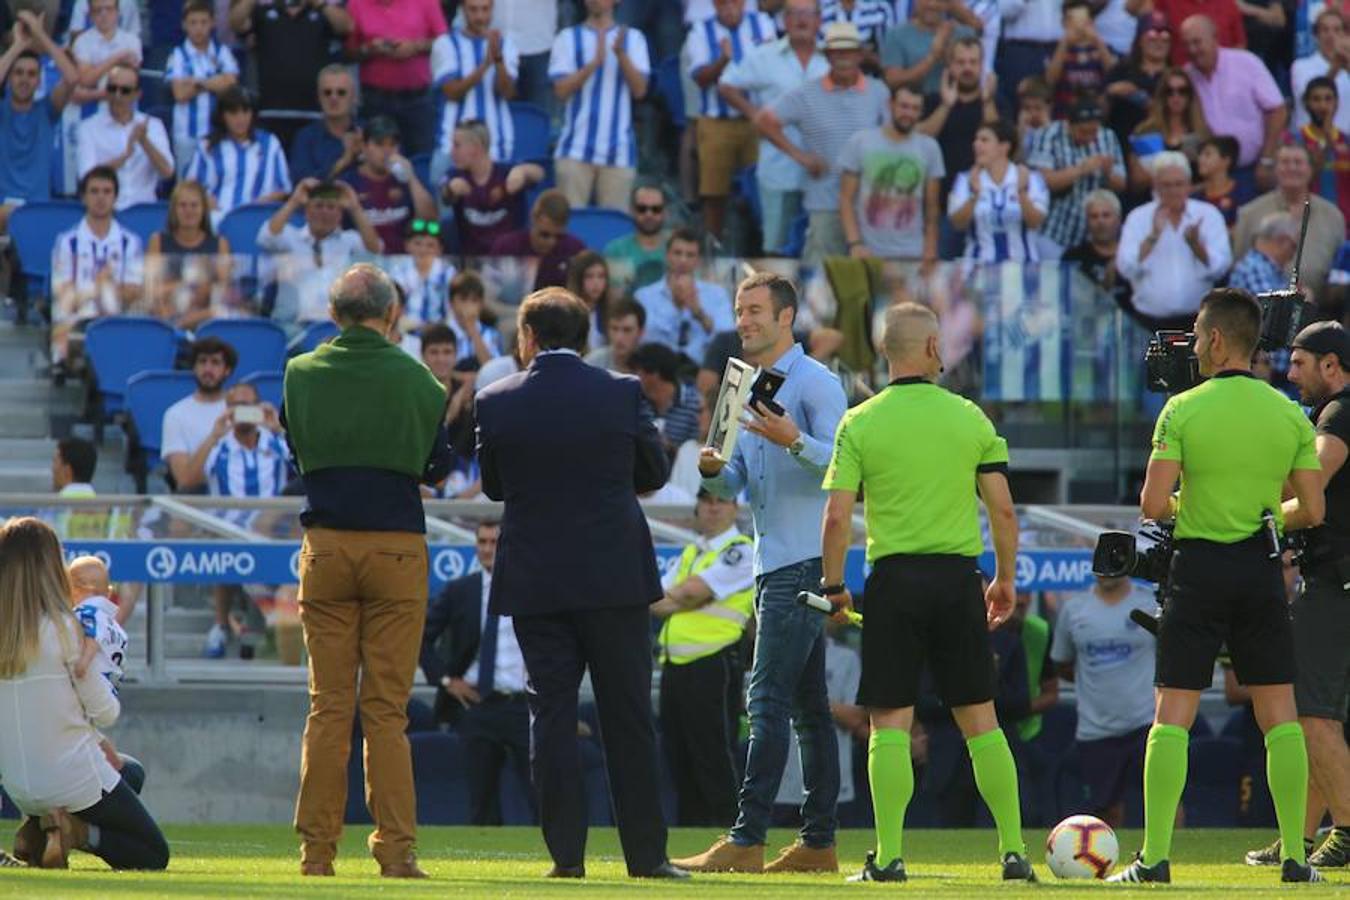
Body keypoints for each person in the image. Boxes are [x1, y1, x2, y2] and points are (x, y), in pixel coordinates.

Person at [1107, 287, 1325, 885]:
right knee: (1279, 715)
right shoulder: (1288, 412)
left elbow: (1152, 504)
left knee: (1170, 714)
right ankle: (1295, 860)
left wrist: (1190, 503)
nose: (1195, 344)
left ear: (1218, 339)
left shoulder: (1182, 409)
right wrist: (1263, 514)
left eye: (1199, 334)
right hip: (1260, 569)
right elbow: (1312, 505)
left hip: (1198, 570)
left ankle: (1153, 860)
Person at [816, 301, 1034, 883]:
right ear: (934, 349)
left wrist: (835, 586)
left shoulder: (859, 422)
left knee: (889, 722)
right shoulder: (970, 417)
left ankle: (888, 859)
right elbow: (1004, 511)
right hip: (957, 579)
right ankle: (1014, 853)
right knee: (981, 722)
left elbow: (837, 519)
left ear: (887, 353)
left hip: (892, 582)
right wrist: (1005, 578)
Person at [474, 286, 685, 880]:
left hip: (538, 579)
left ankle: (566, 859)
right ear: (586, 338)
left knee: (552, 719)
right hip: (614, 576)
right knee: (628, 720)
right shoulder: (621, 392)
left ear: (527, 338)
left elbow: (493, 486)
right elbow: (655, 470)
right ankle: (648, 859)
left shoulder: (496, 400)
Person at [676, 272, 847, 875]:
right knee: (807, 707)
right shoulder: (740, 384)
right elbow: (735, 481)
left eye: (753, 310)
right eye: (739, 309)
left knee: (767, 699)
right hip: (771, 562)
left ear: (786, 317)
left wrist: (794, 438)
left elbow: (848, 467)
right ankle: (819, 843)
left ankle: (747, 838)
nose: (743, 320)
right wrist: (711, 469)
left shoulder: (818, 383)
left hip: (799, 561)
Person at [285, 264, 452, 878]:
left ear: (333, 315)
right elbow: (437, 469)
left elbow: (296, 448)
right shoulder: (420, 380)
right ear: (390, 315)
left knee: (328, 706)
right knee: (386, 710)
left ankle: (316, 853)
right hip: (397, 549)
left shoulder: (298, 373)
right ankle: (396, 851)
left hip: (325, 546)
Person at [0, 517, 169, 871]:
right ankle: (76, 833)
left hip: (16, 787)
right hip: (71, 778)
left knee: (128, 771)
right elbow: (106, 711)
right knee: (152, 853)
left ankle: (37, 828)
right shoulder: (67, 630)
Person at [1244, 320, 1350, 869]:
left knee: (1312, 715)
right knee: (1316, 717)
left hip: (1337, 585)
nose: (1291, 374)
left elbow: (1311, 483)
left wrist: (1248, 512)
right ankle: (1299, 839)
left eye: (1300, 363)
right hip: (1332, 582)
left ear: (1331, 365)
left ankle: (1348, 831)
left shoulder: (1339, 413)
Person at [418, 520, 533, 824]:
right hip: (477, 706)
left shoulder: (532, 589)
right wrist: (446, 680)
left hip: (523, 706)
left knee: (540, 794)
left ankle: (553, 858)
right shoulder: (461, 591)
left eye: (494, 543)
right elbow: (420, 638)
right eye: (481, 542)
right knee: (481, 801)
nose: (487, 549)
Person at [651, 488, 754, 827]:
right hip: (676, 666)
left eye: (720, 501)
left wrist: (682, 598)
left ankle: (726, 829)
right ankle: (692, 830)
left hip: (713, 663)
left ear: (735, 508)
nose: (712, 508)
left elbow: (688, 593)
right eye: (706, 501)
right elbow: (657, 601)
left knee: (713, 754)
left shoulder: (740, 550)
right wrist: (682, 598)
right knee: (678, 755)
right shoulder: (693, 552)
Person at [755, 22, 889, 265]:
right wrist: (800, 156)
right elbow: (764, 122)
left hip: (870, 205)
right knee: (822, 281)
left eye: (848, 51)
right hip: (824, 202)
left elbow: (892, 139)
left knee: (871, 282)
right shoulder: (807, 93)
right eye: (837, 52)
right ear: (827, 55)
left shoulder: (879, 91)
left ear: (859, 55)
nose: (843, 58)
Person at [718, 0, 827, 256]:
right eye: (795, 14)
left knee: (819, 250)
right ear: (784, 21)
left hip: (822, 173)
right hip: (779, 168)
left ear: (819, 20)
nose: (802, 20)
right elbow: (726, 84)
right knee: (776, 251)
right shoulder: (764, 56)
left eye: (808, 14)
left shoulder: (831, 58)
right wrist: (755, 114)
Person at [1050, 575, 1158, 827]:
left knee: (1165, 798)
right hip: (1095, 729)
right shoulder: (1075, 610)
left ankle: (1175, 859)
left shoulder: (1150, 605)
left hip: (1147, 722)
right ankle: (1108, 863)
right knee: (1106, 809)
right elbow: (1062, 663)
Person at [195, 382, 291, 658]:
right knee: (231, 542)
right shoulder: (219, 446)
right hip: (226, 527)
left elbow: (307, 471)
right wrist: (214, 435)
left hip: (273, 526)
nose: (242, 412)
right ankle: (226, 624)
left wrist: (279, 429)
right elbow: (187, 478)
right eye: (236, 405)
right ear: (228, 410)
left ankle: (271, 621)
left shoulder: (276, 443)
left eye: (248, 405)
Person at [685, 0, 776, 240]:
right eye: (723, 4)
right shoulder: (700, 30)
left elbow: (772, 67)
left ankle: (759, 243)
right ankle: (713, 246)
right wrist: (723, 61)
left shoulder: (763, 23)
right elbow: (701, 78)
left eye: (735, 2)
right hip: (717, 120)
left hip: (758, 121)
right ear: (714, 5)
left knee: (761, 189)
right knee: (714, 193)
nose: (730, 8)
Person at [549, 0, 651, 211]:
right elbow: (560, 91)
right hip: (574, 149)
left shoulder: (634, 39)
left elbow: (640, 90)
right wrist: (594, 64)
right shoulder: (567, 38)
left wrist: (621, 55)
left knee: (613, 233)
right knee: (571, 228)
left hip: (618, 151)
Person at [1116, 151, 1232, 329]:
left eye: (1178, 184)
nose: (1173, 191)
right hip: (1149, 322)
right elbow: (1125, 268)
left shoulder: (1208, 215)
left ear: (1189, 185)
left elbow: (1221, 269)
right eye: (1166, 185)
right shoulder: (1138, 217)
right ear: (1155, 186)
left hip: (1198, 321)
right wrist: (1152, 237)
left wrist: (1196, 246)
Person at [916, 36, 1005, 258]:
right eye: (961, 62)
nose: (967, 68)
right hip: (942, 206)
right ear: (949, 66)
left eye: (973, 62)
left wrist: (986, 101)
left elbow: (1002, 144)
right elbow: (919, 141)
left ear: (982, 65)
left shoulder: (996, 101)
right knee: (942, 282)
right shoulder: (934, 101)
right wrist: (946, 105)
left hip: (988, 209)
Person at [839, 84, 945, 263]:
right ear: (890, 105)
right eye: (904, 106)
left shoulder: (929, 148)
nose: (908, 114)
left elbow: (932, 206)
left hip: (912, 252)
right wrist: (854, 243)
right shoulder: (861, 142)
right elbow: (845, 199)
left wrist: (930, 247)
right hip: (868, 251)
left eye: (915, 108)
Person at [227, 0, 352, 150]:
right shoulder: (264, 12)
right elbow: (236, 23)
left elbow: (347, 26)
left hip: (313, 114)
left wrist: (320, 4)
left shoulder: (321, 13)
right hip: (271, 113)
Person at [50, 167, 144, 366]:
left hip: (118, 322)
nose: (100, 198)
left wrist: (96, 289)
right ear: (83, 197)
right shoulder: (67, 242)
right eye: (94, 191)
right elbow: (64, 296)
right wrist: (102, 287)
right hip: (77, 322)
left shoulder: (131, 242)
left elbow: (134, 293)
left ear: (115, 197)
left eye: (107, 191)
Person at [1181, 14, 1285, 192]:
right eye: (1187, 44)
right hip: (1213, 176)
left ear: (1215, 38)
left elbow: (1277, 110)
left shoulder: (1246, 63)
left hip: (1254, 168)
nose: (1192, 49)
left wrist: (1266, 159)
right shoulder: (1187, 76)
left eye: (1197, 42)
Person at [1232, 144, 1347, 303]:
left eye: (1298, 162)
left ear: (1311, 169)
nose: (1292, 167)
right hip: (1263, 314)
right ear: (1275, 169)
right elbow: (1238, 265)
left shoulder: (1333, 216)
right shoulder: (1249, 214)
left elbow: (1340, 270)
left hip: (1321, 312)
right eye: (1285, 162)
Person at [257, 179, 382, 324]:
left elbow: (375, 250)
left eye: (331, 207)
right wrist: (294, 202)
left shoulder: (350, 240)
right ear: (306, 211)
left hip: (337, 324)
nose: (324, 212)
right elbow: (266, 238)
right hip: (292, 324)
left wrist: (355, 207)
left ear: (340, 214)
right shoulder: (290, 237)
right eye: (318, 206)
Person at [0, 10, 78, 239]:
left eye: (32, 74)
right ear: (9, 78)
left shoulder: (47, 110)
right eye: (18, 73)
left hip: (37, 211)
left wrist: (40, 35)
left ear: (39, 79)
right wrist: (18, 46)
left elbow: (72, 78)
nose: (24, 79)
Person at [1027, 97, 1126, 260]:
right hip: (1054, 232)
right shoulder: (1049, 135)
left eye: (1094, 132)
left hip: (1091, 238)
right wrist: (1080, 170)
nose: (1089, 138)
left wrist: (1108, 173)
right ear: (1069, 124)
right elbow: (1041, 182)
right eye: (1084, 132)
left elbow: (1121, 184)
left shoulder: (1108, 137)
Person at [344, 0, 447, 156]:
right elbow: (349, 53)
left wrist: (415, 47)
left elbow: (444, 43)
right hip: (376, 100)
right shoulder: (356, 4)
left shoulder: (427, 2)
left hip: (417, 100)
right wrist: (370, 49)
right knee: (375, 160)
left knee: (422, 159)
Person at [430, 0, 518, 178]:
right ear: (462, 10)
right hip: (451, 147)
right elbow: (452, 92)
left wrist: (498, 60)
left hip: (496, 145)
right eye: (473, 10)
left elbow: (507, 93)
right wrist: (484, 66)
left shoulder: (506, 44)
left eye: (485, 9)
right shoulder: (445, 44)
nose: (480, 16)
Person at [946, 119, 1048, 263]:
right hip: (978, 267)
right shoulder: (965, 179)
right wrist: (974, 196)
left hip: (1023, 269)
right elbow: (958, 224)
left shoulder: (1031, 178)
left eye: (984, 140)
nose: (976, 144)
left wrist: (1022, 192)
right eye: (976, 140)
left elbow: (1035, 223)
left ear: (1004, 147)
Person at [76, 65, 173, 210]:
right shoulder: (88, 128)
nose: (117, 96)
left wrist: (145, 142)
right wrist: (124, 156)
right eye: (112, 89)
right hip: (106, 212)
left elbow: (167, 172)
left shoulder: (153, 125)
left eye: (125, 90)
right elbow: (87, 177)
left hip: (144, 209)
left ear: (137, 94)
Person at [338, 115, 437, 255]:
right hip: (360, 261)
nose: (386, 151)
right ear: (364, 147)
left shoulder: (406, 179)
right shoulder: (349, 181)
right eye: (379, 144)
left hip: (402, 262)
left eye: (392, 145)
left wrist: (411, 178)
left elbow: (430, 221)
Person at [442, 119, 544, 255]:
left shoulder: (506, 173)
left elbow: (540, 173)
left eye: (457, 145)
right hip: (472, 261)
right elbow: (445, 195)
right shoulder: (455, 175)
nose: (452, 152)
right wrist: (450, 189)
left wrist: (523, 171)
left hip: (510, 260)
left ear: (476, 148)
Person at [187, 87, 292, 216]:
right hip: (216, 218)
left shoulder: (270, 143)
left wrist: (258, 205)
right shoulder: (206, 146)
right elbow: (190, 188)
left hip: (259, 217)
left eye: (245, 111)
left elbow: (283, 189)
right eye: (233, 112)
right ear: (222, 115)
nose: (240, 118)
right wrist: (205, 200)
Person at [634, 229, 733, 366]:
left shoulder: (717, 294)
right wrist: (675, 306)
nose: (683, 260)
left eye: (690, 255)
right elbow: (642, 340)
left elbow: (728, 341)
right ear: (667, 255)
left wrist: (699, 313)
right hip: (657, 371)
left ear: (698, 260)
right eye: (677, 253)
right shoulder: (644, 296)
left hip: (703, 371)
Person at [166, 0, 240, 177]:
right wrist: (215, 81)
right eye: (193, 23)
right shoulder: (178, 55)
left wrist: (198, 83)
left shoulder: (223, 52)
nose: (198, 28)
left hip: (218, 134)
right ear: (184, 25)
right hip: (187, 136)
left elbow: (231, 85)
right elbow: (180, 93)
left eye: (203, 22)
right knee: (187, 187)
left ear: (212, 23)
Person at [146, 180, 233, 329]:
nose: (189, 211)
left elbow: (223, 293)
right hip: (166, 314)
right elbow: (151, 290)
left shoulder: (220, 244)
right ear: (174, 210)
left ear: (203, 209)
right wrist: (187, 286)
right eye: (183, 205)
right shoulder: (157, 241)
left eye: (194, 205)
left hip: (205, 319)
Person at [162, 337, 236, 492]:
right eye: (202, 362)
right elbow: (184, 480)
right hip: (199, 504)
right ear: (194, 368)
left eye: (215, 363)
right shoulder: (175, 415)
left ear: (227, 370)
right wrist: (213, 437)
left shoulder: (241, 409)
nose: (208, 369)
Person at [1126, 67, 1211, 193]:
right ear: (1162, 96)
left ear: (1190, 95)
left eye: (1182, 91)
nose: (1176, 96)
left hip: (1192, 201)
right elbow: (1136, 181)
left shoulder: (1202, 134)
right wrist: (1170, 183)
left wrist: (1188, 190)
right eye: (1169, 92)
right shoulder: (1145, 131)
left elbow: (1212, 179)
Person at [488, 188, 586, 290]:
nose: (551, 242)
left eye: (559, 237)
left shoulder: (575, 251)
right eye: (544, 234)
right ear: (533, 219)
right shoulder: (506, 247)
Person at [881, 0, 976, 97]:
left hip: (956, 104)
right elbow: (892, 80)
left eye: (939, 1)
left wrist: (947, 49)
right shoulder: (896, 35)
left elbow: (972, 77)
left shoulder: (964, 34)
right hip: (913, 107)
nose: (932, 4)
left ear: (947, 4)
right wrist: (932, 58)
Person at [1104, 11, 1172, 144]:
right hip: (1121, 140)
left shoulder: (1174, 75)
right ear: (1140, 40)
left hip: (1161, 144)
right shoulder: (1121, 70)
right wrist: (1110, 91)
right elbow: (1101, 110)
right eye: (1152, 36)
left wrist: (1142, 98)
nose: (1159, 42)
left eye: (1165, 36)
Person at [1064, 189, 1134, 315]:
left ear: (1118, 220)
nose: (1100, 222)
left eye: (1106, 215)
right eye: (1094, 216)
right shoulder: (1073, 257)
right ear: (1087, 222)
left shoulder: (1133, 254)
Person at [1291, 77, 1350, 222]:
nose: (1323, 105)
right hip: (1311, 223)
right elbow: (1300, 182)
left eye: (1328, 99)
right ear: (1306, 104)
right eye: (1316, 99)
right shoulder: (1294, 140)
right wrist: (1327, 144)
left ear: (1336, 103)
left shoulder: (1347, 141)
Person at [289, 66, 362, 184]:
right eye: (327, 93)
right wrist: (344, 161)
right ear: (319, 97)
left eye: (341, 92)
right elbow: (302, 184)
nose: (333, 98)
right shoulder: (305, 137)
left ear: (354, 97)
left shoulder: (369, 133)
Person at [1046, 0, 1117, 116]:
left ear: (1092, 22)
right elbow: (1050, 80)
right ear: (1064, 23)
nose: (1079, 27)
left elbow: (1114, 74)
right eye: (1072, 21)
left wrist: (1097, 41)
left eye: (1083, 21)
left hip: (1097, 114)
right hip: (1065, 114)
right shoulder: (1055, 49)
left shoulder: (1104, 48)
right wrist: (1064, 43)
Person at [629, 342, 703, 453]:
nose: (634, 376)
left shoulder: (695, 403)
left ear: (654, 374)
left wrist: (669, 448)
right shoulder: (636, 401)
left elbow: (697, 449)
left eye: (637, 371)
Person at [390, 219, 456, 334]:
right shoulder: (397, 273)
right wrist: (419, 326)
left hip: (440, 335)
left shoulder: (449, 273)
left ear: (439, 249)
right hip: (405, 334)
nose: (423, 249)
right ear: (407, 245)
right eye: (417, 243)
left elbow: (452, 312)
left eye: (430, 245)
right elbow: (394, 311)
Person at [1292, 8, 1350, 135]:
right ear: (1316, 35)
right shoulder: (1301, 66)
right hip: (1310, 143)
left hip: (1345, 144)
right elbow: (1311, 96)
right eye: (1325, 30)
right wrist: (1335, 68)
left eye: (1337, 30)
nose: (1331, 35)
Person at [603, 183, 670, 292]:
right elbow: (615, 300)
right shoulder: (616, 250)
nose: (649, 214)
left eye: (656, 209)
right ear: (632, 211)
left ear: (665, 212)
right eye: (642, 209)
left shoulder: (679, 251)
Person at [1230, 212, 1300, 296]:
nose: (1293, 253)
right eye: (1294, 246)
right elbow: (1272, 308)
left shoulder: (1269, 269)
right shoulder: (1254, 269)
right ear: (1281, 240)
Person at [1192, 135, 1243, 227]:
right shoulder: (1195, 196)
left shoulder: (1241, 193)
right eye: (1200, 155)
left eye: (1207, 155)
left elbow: (1243, 226)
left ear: (1226, 161)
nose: (1200, 159)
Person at [585, 296, 646, 373]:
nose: (619, 337)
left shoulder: (651, 366)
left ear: (641, 333)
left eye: (627, 330)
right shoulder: (593, 363)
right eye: (614, 329)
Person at [565, 250, 611, 350]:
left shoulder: (611, 313)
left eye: (601, 276)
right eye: (589, 276)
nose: (596, 283)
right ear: (578, 279)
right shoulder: (565, 315)